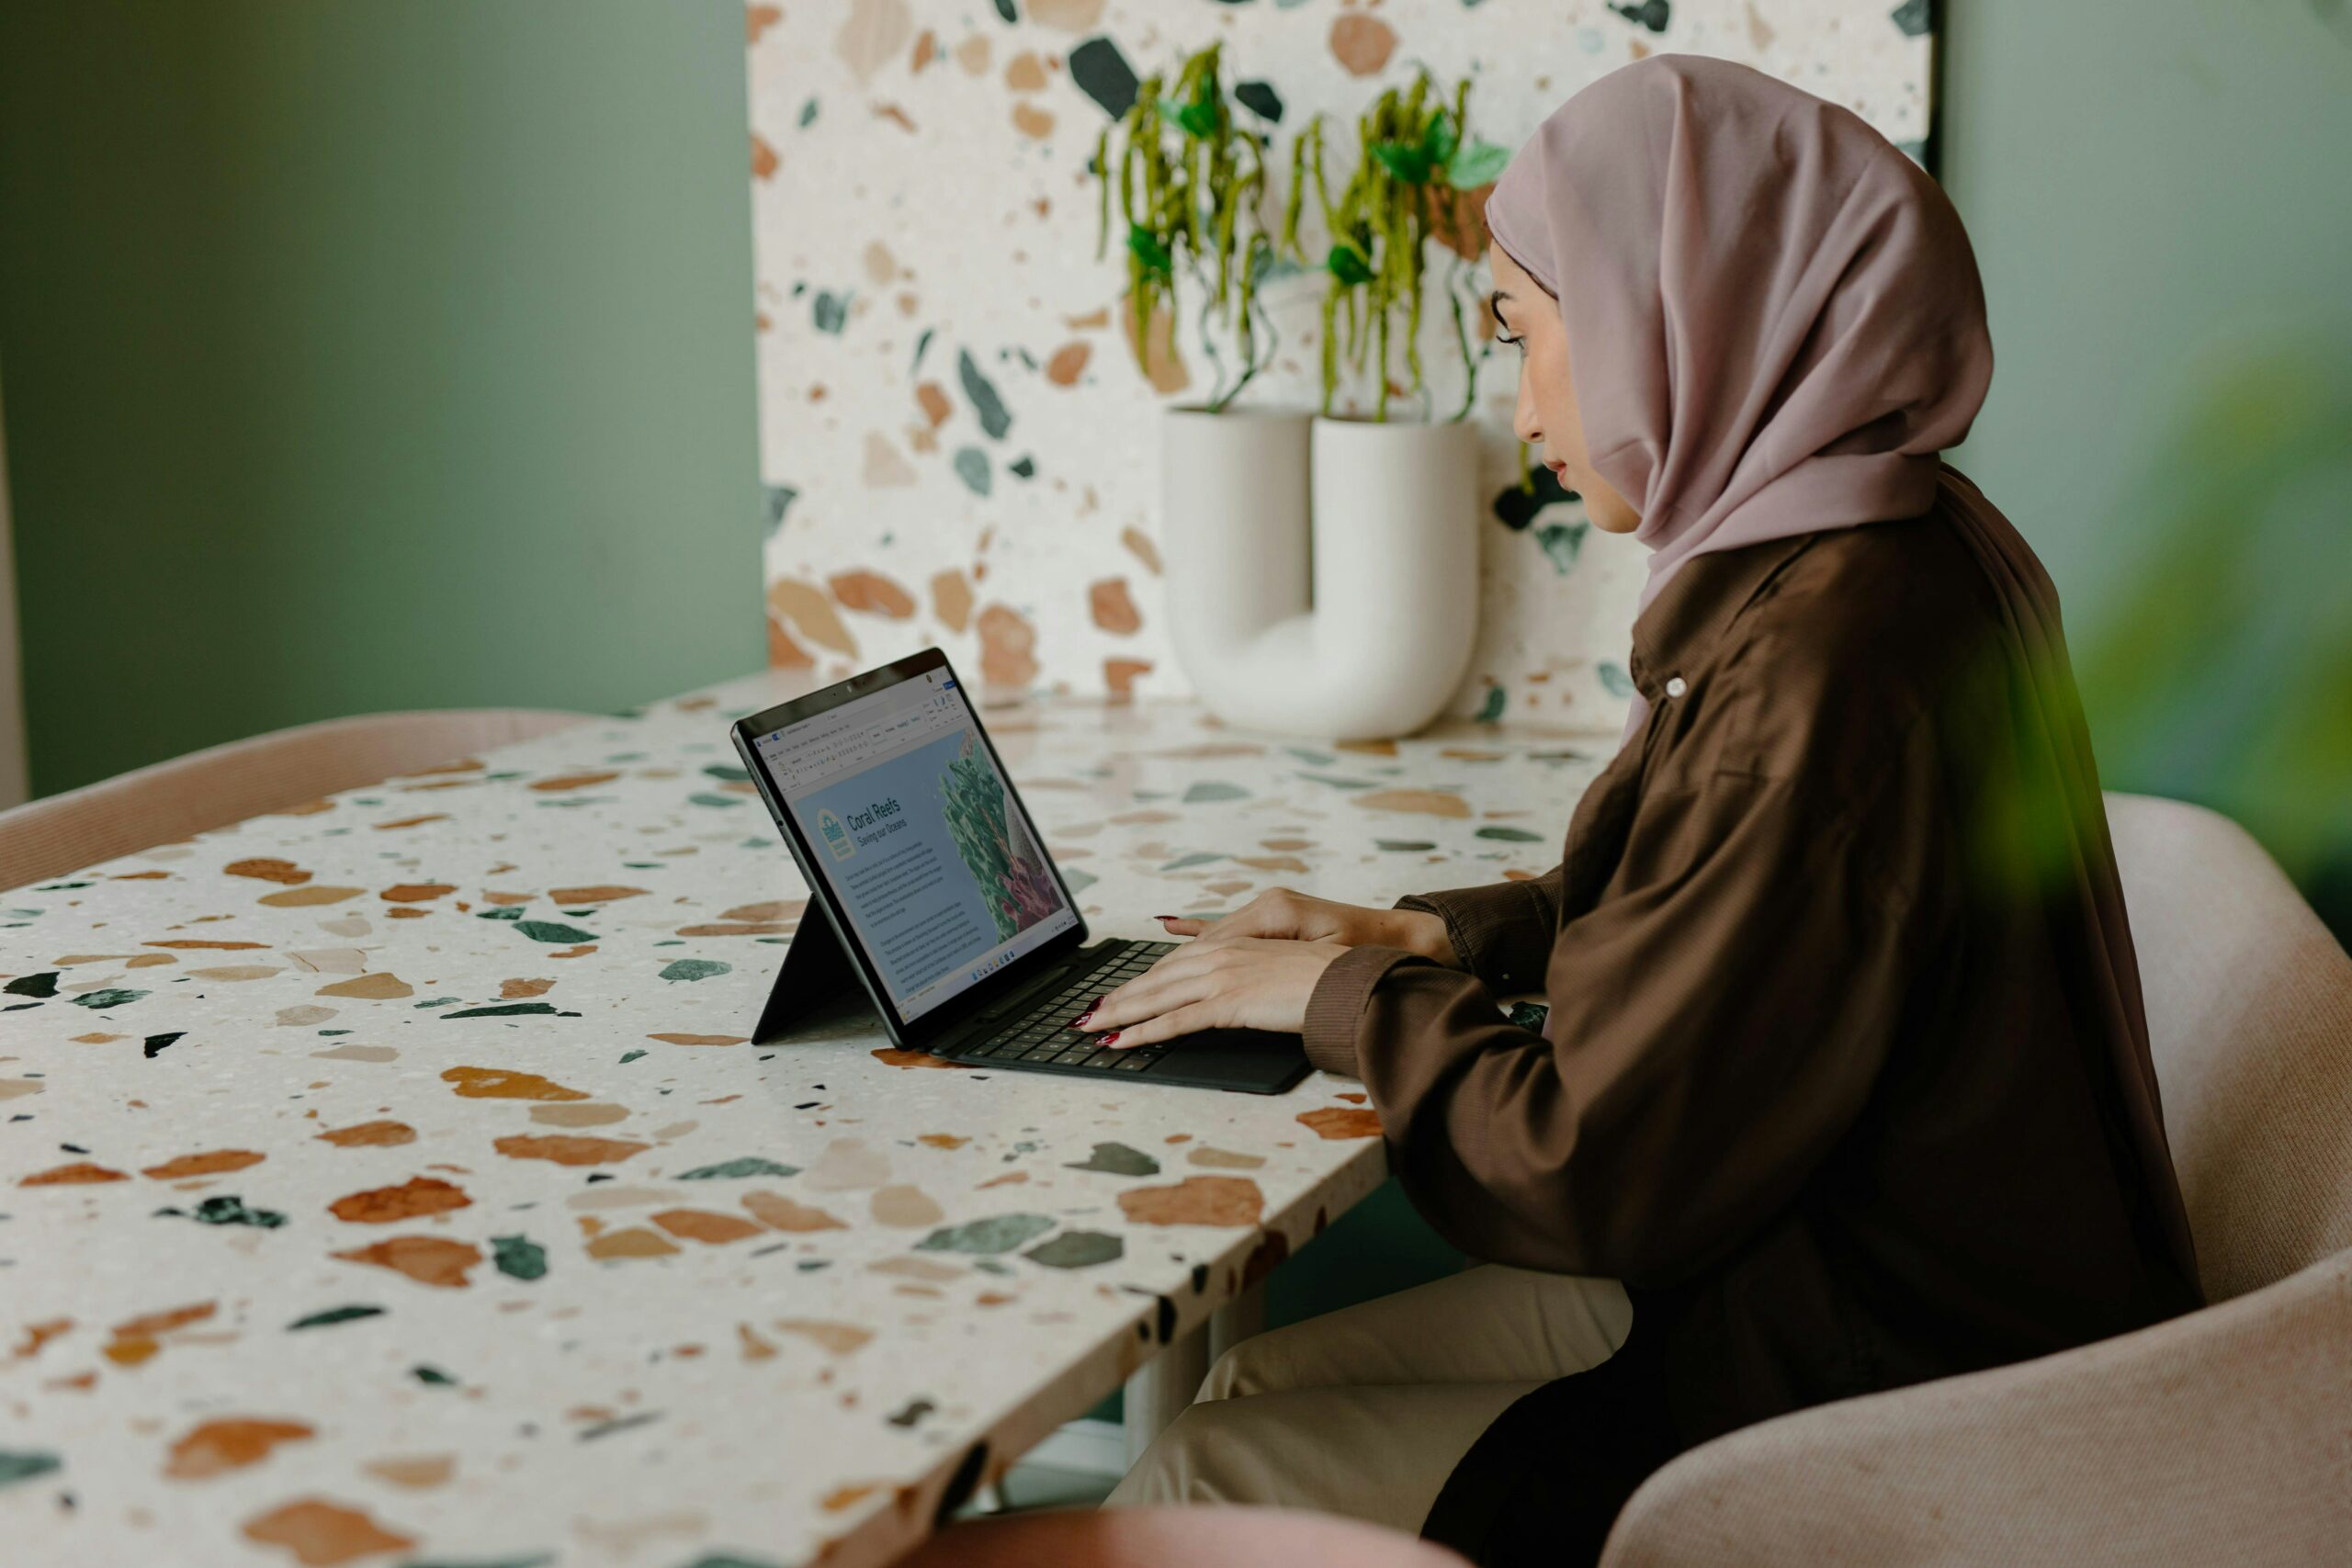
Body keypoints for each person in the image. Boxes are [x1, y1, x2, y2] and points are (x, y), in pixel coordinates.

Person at [1069, 54, 2205, 1567]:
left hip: (1890, 1397)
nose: (1519, 391)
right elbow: (1726, 917)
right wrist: (1424, 933)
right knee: (1255, 1381)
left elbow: (1582, 1162)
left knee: (1208, 1475)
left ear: (1677, 312)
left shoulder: (1823, 664)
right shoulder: (1885, 546)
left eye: (1525, 329)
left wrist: (1348, 997)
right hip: (1855, 1258)